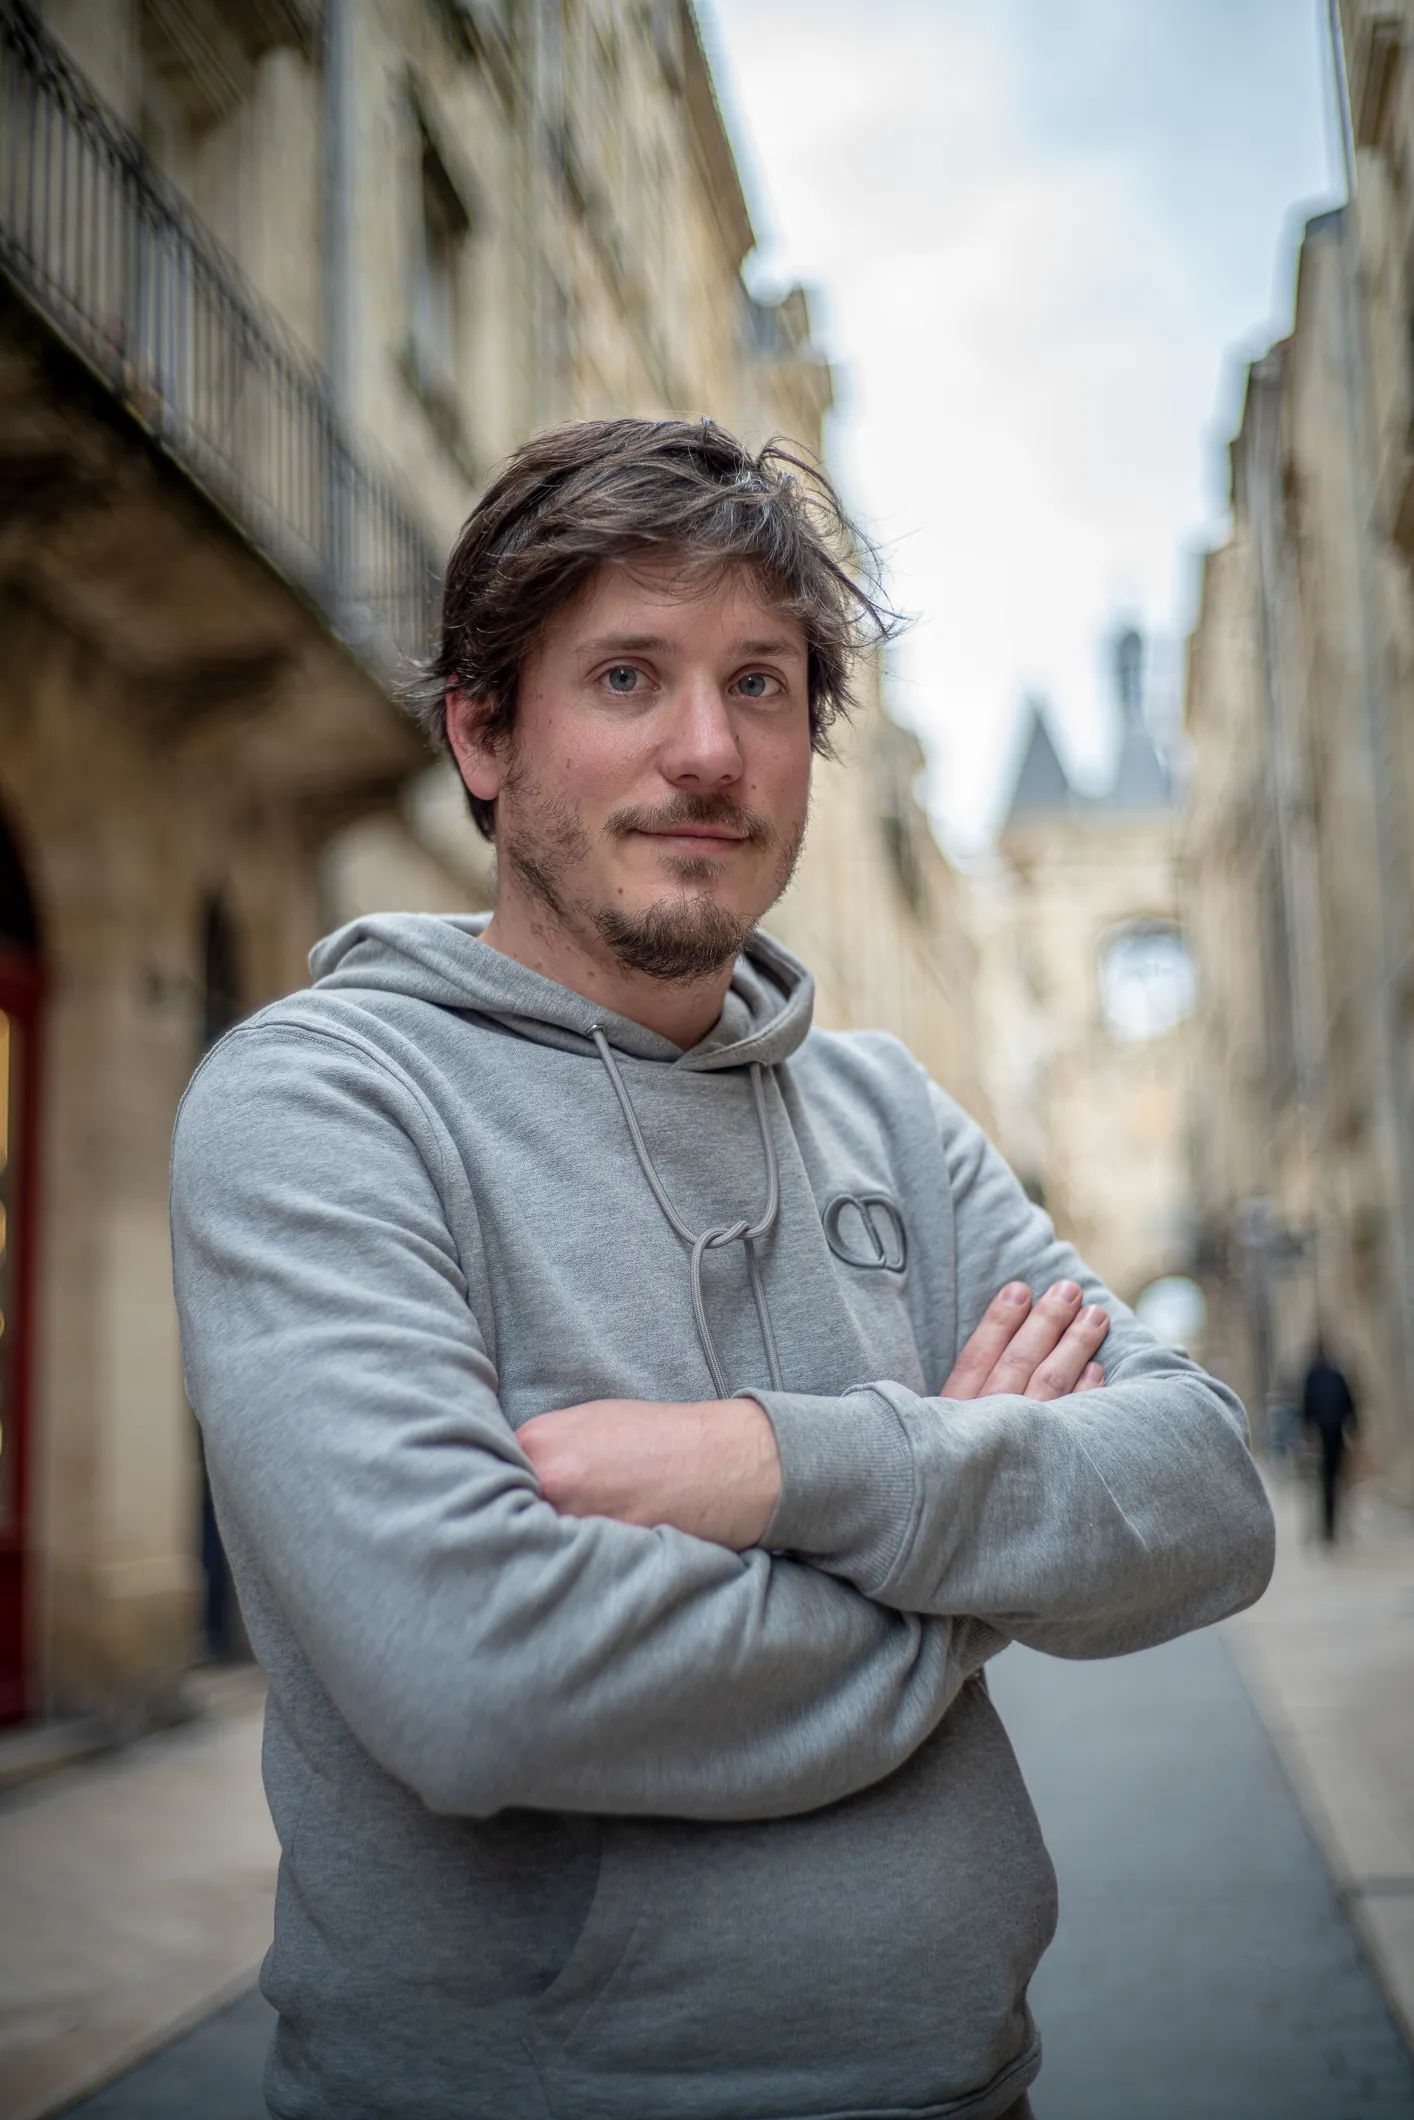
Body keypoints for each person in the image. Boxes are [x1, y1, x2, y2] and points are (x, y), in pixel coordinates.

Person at [170, 419, 1275, 2120]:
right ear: (481, 734)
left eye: (760, 687)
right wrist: (964, 1565)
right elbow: (478, 1679)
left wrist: (767, 1464)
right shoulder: (322, 1102)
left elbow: (1201, 1494)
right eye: (626, 677)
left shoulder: (887, 1111)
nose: (707, 752)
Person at [1302, 1340, 1359, 1542]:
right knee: (1331, 1480)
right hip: (1331, 1433)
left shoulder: (1317, 1377)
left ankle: (1330, 1526)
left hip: (1327, 1433)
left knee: (1328, 1481)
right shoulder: (1327, 1376)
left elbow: (1307, 1407)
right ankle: (1329, 1526)